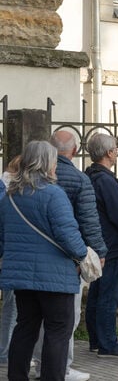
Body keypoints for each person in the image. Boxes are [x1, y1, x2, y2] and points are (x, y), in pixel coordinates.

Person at [0, 141, 88, 381]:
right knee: (57, 332)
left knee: (25, 328)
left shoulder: (9, 196)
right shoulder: (53, 194)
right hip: (55, 277)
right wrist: (83, 255)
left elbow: (2, 237)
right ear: (47, 163)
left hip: (21, 277)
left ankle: (17, 377)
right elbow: (68, 235)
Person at [84, 133, 118, 359]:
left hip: (99, 243)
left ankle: (97, 339)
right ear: (108, 153)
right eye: (116, 148)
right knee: (108, 296)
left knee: (97, 294)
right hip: (112, 245)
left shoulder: (90, 176)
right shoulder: (105, 180)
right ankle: (107, 344)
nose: (117, 151)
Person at [0, 157, 20, 367]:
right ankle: (6, 352)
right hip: (12, 256)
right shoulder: (7, 193)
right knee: (12, 307)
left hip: (10, 255)